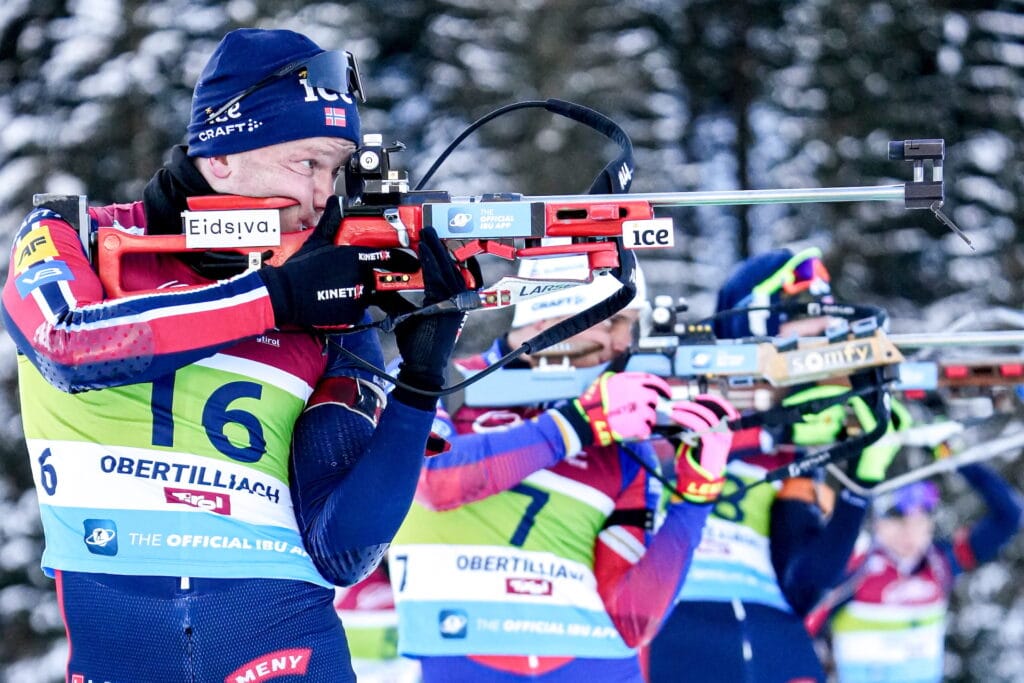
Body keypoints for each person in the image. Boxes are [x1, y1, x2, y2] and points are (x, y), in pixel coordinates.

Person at [1, 28, 465, 683]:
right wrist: (275, 297)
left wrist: (418, 384)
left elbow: (343, 547)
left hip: (290, 651)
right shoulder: (71, 235)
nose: (321, 196)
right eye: (306, 163)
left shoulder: (327, 306)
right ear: (222, 155)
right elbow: (70, 344)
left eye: (335, 171)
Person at [387, 254, 739, 682]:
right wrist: (572, 426)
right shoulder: (438, 382)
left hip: (595, 663)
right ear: (547, 314)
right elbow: (427, 480)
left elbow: (633, 621)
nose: (624, 344)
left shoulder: (623, 442)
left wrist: (694, 498)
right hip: (463, 656)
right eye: (612, 323)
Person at [646, 247, 905, 683]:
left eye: (829, 324)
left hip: (770, 633)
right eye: (808, 318)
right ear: (753, 324)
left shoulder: (801, 450)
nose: (825, 337)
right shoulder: (669, 391)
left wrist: (862, 482)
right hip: (676, 619)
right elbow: (663, 454)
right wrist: (776, 430)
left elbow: (803, 583)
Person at [807, 465, 1023, 683]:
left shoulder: (942, 563)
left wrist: (957, 460)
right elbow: (803, 633)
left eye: (919, 521)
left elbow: (1009, 516)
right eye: (899, 520)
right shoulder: (853, 569)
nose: (910, 533)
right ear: (878, 523)